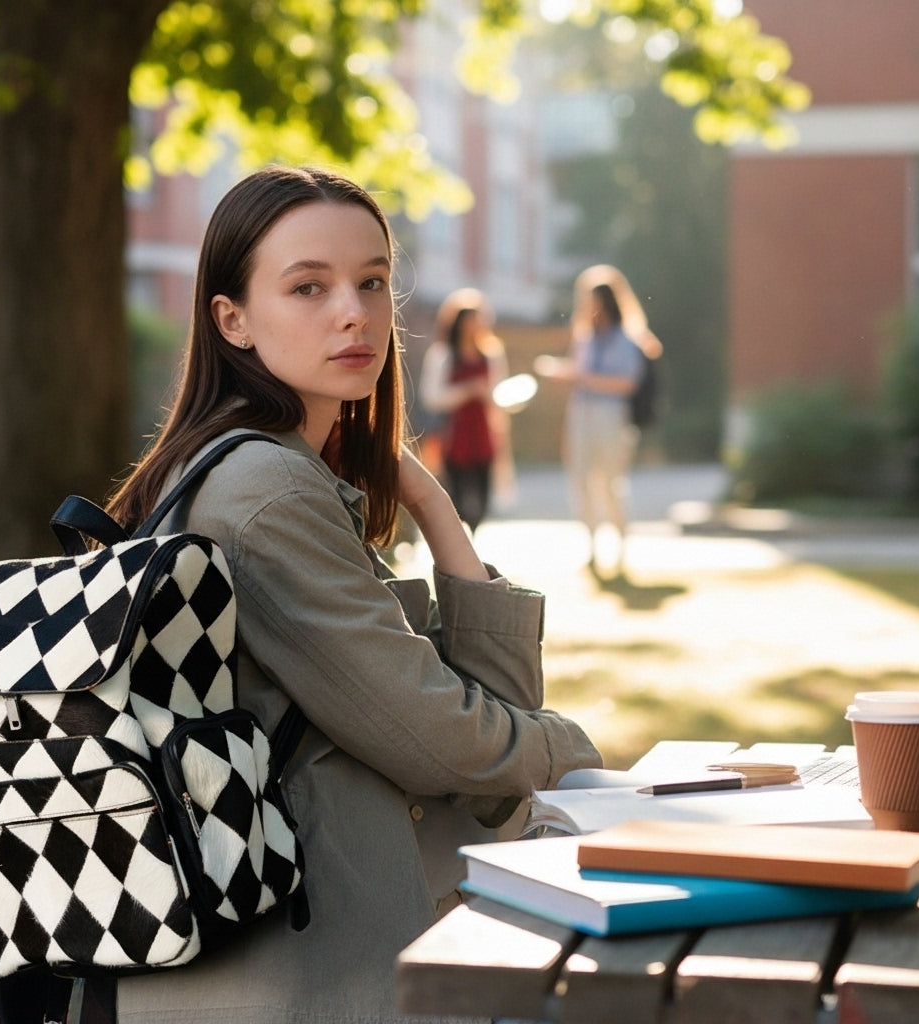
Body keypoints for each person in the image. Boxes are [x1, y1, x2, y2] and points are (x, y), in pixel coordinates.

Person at [103, 166, 601, 1024]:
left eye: (373, 281)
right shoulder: (266, 492)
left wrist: (432, 503)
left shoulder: (270, 470)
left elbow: (481, 714)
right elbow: (451, 745)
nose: (355, 312)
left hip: (323, 955)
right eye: (309, 286)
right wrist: (578, 753)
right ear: (233, 320)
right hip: (313, 980)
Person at [535, 264, 662, 578]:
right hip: (582, 414)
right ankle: (591, 546)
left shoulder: (627, 339)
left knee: (609, 483)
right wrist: (563, 373)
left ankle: (620, 547)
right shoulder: (585, 337)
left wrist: (580, 376)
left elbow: (626, 382)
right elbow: (581, 374)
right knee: (580, 480)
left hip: (611, 416)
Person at [417, 288, 511, 533]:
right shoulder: (443, 355)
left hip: (483, 433)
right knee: (456, 495)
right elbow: (431, 396)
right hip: (453, 434)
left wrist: (487, 396)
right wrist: (466, 391)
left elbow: (500, 394)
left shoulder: (491, 355)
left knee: (483, 494)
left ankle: (475, 540)